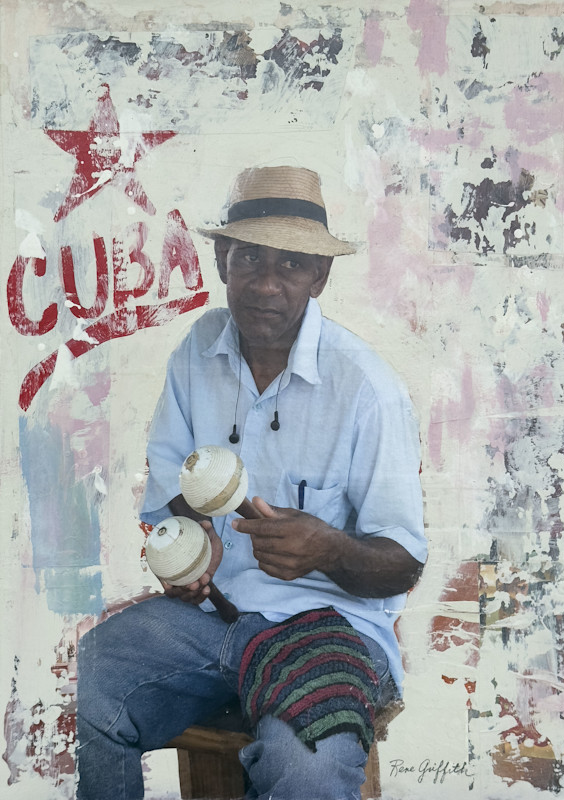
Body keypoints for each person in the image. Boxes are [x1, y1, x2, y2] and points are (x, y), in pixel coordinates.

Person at [76, 165, 427, 800]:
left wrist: (329, 548)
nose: (266, 284)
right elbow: (173, 494)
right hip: (213, 623)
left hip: (329, 629)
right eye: (248, 258)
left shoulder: (367, 390)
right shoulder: (197, 348)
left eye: (292, 265)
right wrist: (192, 547)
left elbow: (402, 566)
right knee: (97, 670)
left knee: (310, 768)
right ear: (220, 262)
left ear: (321, 276)